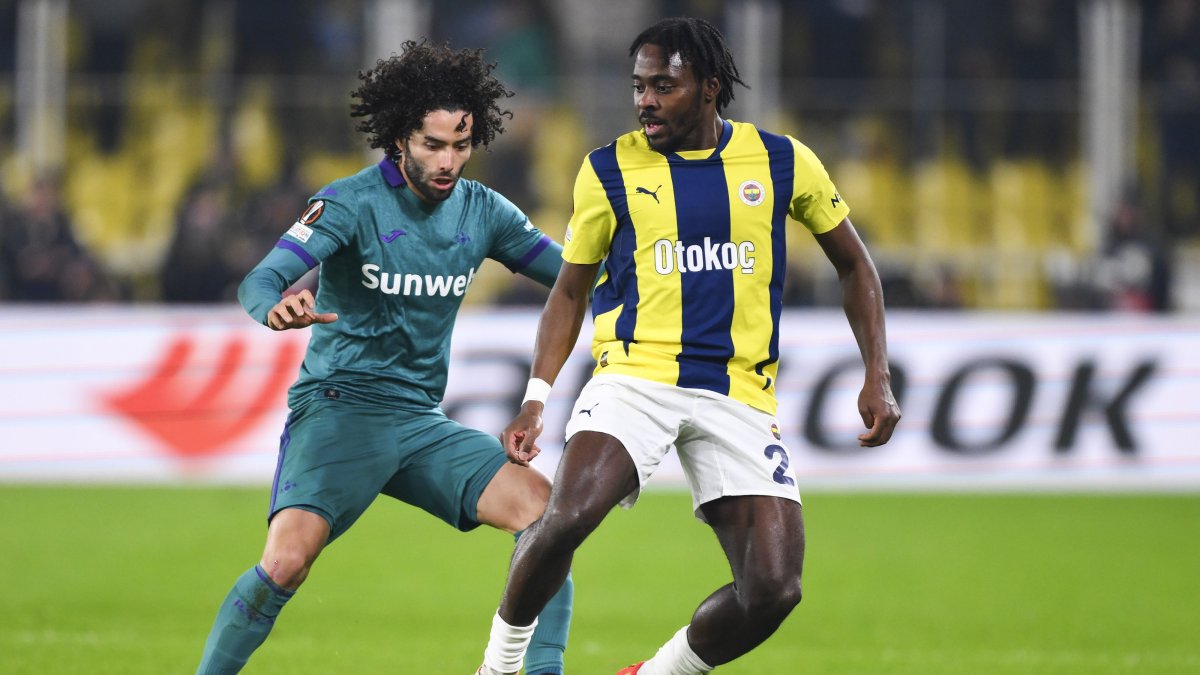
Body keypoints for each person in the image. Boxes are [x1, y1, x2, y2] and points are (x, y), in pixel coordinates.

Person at [477, 17, 900, 675]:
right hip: (635, 377)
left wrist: (877, 372)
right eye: (640, 86)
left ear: (709, 87)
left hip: (739, 392)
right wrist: (537, 397)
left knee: (774, 589)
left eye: (663, 86)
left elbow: (855, 265)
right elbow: (568, 292)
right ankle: (498, 668)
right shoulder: (608, 169)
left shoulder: (783, 161)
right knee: (568, 515)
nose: (645, 100)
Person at [196, 40, 573, 675]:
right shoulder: (349, 201)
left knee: (547, 516)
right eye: (433, 144)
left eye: (461, 143)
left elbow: (574, 278)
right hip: (339, 410)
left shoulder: (484, 211)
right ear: (400, 137)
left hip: (420, 421)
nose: (449, 159)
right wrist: (276, 308)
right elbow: (259, 281)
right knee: (286, 564)